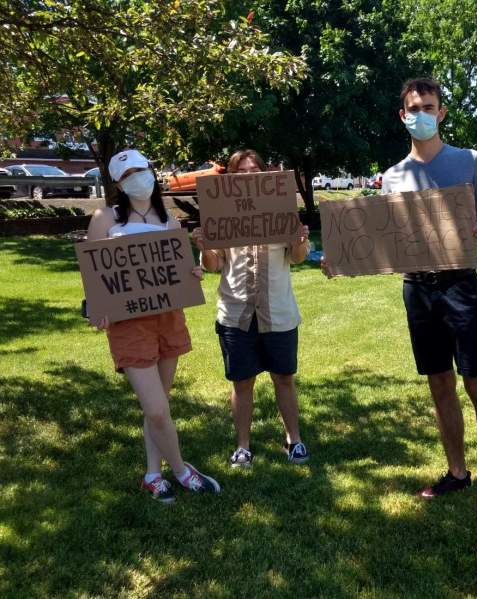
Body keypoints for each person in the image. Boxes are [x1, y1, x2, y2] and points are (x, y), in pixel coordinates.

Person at [324, 78, 477, 521]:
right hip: (418, 289)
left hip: (461, 286)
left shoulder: (468, 161)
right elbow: (379, 242)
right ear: (402, 115)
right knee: (439, 383)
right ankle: (457, 472)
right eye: (414, 108)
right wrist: (341, 259)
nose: (421, 114)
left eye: (429, 107)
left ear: (441, 113)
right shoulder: (392, 177)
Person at [86, 149, 221, 502]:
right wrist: (97, 308)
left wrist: (192, 275)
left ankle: (152, 474)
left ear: (151, 172)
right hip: (129, 324)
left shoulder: (170, 222)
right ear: (118, 184)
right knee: (157, 410)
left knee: (159, 404)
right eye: (126, 175)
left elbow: (180, 273)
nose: (137, 179)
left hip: (169, 319)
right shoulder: (105, 219)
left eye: (140, 170)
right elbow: (94, 275)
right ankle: (182, 470)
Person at [192, 150, 311, 468]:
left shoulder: (281, 210)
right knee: (242, 383)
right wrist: (204, 247)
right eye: (240, 172)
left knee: (284, 378)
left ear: (264, 176)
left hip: (278, 313)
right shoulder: (221, 215)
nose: (248, 176)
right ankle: (243, 446)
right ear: (231, 178)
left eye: (253, 171)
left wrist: (299, 240)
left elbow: (297, 257)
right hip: (236, 314)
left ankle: (294, 440)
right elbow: (214, 265)